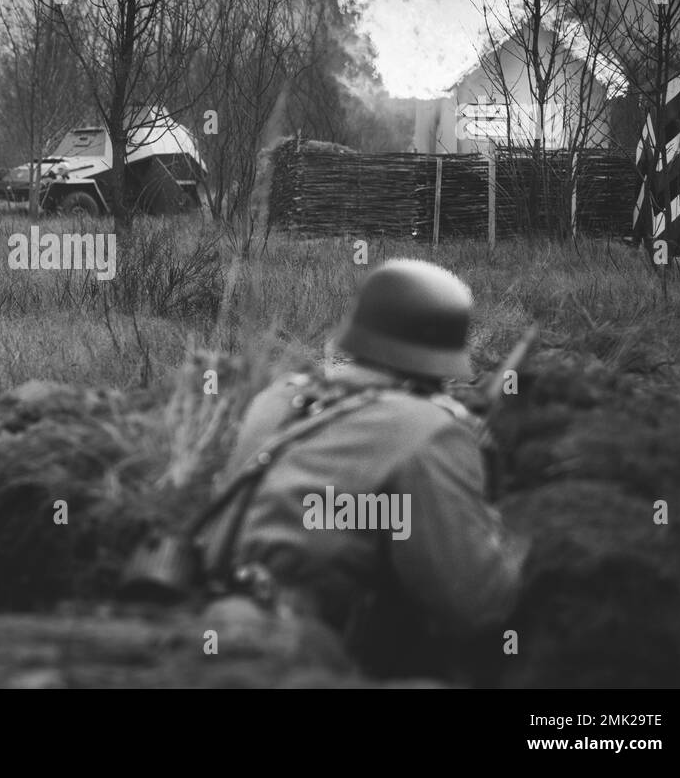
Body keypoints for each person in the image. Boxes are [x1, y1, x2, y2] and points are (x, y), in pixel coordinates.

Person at [198, 258, 528, 678]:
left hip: (218, 621)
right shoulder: (431, 433)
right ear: (441, 363)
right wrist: (511, 529)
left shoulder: (279, 398)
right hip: (308, 659)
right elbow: (474, 603)